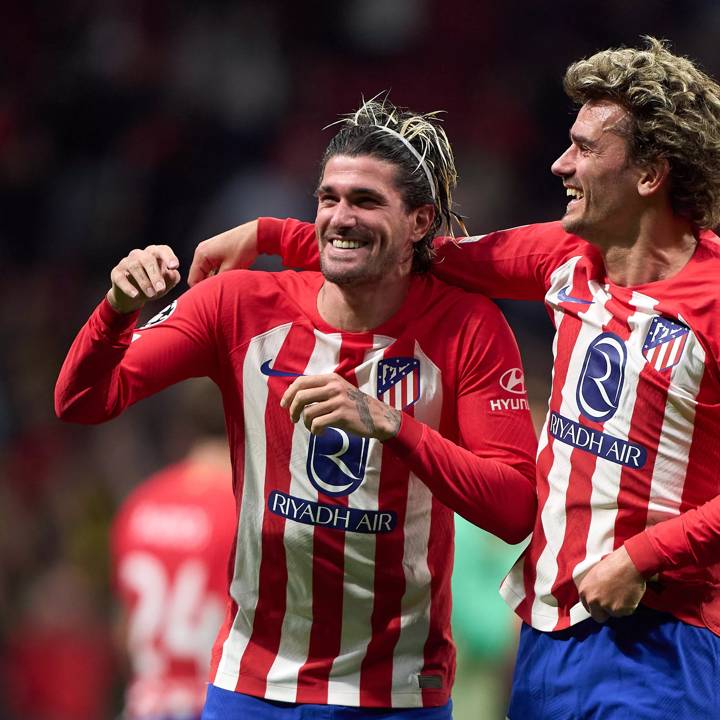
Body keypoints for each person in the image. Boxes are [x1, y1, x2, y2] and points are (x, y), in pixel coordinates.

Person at [189, 38, 720, 718]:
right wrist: (272, 235)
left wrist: (643, 556)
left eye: (586, 149)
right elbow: (414, 250)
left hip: (663, 639)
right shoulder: (566, 257)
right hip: (548, 634)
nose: (562, 164)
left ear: (649, 173)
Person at [55, 98, 538, 719]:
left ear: (420, 222)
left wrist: (394, 426)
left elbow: (515, 507)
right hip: (254, 684)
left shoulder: (467, 328)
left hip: (395, 692)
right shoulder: (240, 306)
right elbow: (83, 399)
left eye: (365, 200)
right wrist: (117, 309)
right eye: (328, 198)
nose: (340, 217)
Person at [110, 380, 236, 720]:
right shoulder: (246, 510)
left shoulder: (140, 503)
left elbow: (124, 630)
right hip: (220, 705)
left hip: (146, 707)